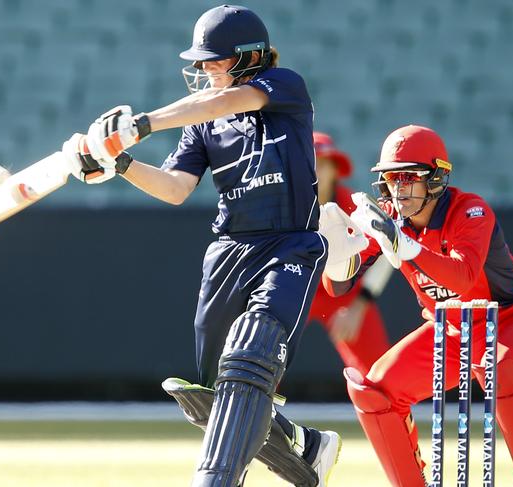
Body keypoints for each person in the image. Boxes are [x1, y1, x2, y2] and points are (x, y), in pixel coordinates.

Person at [60, 5, 341, 486]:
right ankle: (305, 445)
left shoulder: (284, 86)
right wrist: (120, 163)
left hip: (289, 246)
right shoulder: (202, 122)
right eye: (201, 61)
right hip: (228, 252)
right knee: (211, 397)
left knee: (250, 355)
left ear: (251, 58)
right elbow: (174, 188)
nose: (205, 69)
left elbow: (224, 104)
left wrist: (142, 123)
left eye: (215, 60)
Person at [320, 124, 513, 486]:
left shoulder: (471, 211)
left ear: (435, 179)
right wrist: (337, 257)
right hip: (450, 329)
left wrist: (405, 246)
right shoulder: (389, 218)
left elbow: (462, 278)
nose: (398, 189)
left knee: (498, 372)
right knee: (376, 393)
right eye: (391, 179)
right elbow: (337, 288)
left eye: (409, 178)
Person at [308, 132, 392, 375]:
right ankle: (247, 408)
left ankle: (388, 413)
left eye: (323, 164)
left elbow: (384, 252)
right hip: (295, 287)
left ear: (335, 171)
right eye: (310, 162)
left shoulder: (354, 205)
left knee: (378, 374)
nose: (316, 171)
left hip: (345, 292)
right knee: (262, 354)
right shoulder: (284, 205)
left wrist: (359, 306)